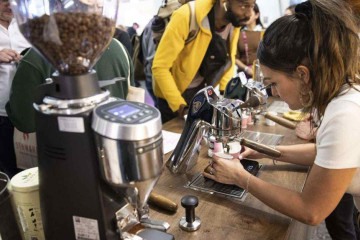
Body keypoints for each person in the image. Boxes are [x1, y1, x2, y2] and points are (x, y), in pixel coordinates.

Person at [204, 1, 360, 237]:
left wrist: (239, 176)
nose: (274, 92)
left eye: (273, 83)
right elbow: (323, 153)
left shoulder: (344, 113)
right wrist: (267, 151)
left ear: (302, 74)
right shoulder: (341, 97)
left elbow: (311, 210)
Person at [152, 0, 255, 123]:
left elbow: (229, 59)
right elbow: (160, 67)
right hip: (172, 97)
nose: (249, 14)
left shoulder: (233, 22)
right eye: (243, 6)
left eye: (252, 6)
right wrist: (181, 108)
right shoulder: (187, 15)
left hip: (201, 93)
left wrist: (226, 95)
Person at [6, 38, 135, 133]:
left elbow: (26, 123)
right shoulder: (119, 48)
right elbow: (129, 96)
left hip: (63, 157)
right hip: (115, 147)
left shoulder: (36, 56)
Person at [0, 0, 31, 178]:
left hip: (25, 113)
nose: (9, 4)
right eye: (4, 0)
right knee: (6, 169)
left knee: (27, 170)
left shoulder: (24, 28)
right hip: (1, 114)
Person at [235, 3, 264, 78]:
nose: (246, 15)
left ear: (257, 15)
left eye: (249, 12)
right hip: (245, 76)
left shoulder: (266, 32)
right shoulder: (237, 34)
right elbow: (234, 57)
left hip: (264, 74)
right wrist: (246, 69)